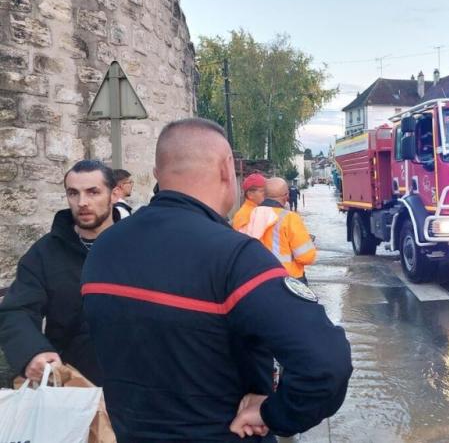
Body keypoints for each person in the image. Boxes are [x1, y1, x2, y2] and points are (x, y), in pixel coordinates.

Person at [81, 118, 351, 442]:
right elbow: (326, 366)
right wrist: (274, 413)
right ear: (227, 169)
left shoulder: (103, 249)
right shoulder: (235, 258)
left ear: (157, 174)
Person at [0, 160, 118, 386]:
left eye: (93, 192)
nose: (82, 202)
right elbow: (18, 309)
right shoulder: (45, 252)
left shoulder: (138, 244)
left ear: (113, 195)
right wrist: (33, 352)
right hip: (70, 383)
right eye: (73, 193)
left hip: (135, 386)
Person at [243, 178, 317, 284]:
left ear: (264, 195)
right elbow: (307, 257)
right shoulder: (290, 218)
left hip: (257, 279)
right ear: (286, 196)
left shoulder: (249, 215)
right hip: (289, 280)